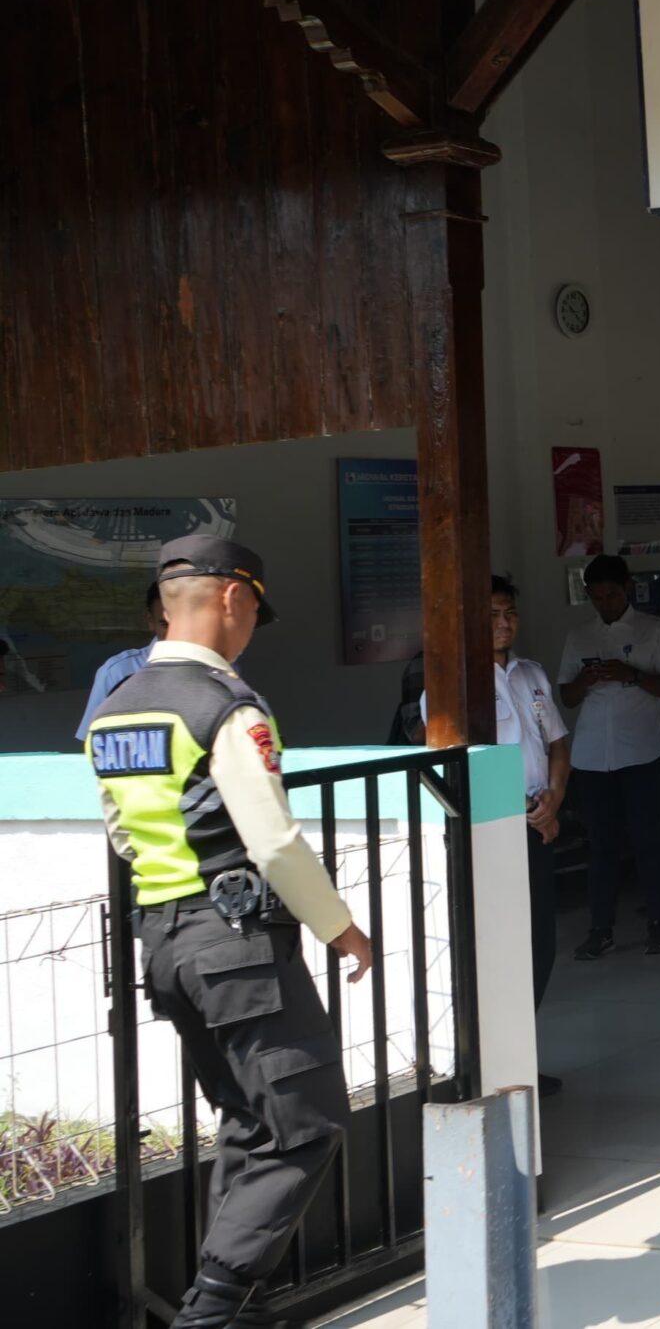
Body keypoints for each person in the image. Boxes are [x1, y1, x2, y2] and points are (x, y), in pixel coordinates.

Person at [86, 535, 375, 1329]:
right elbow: (274, 838)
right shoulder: (225, 705)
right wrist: (342, 927)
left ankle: (236, 1307)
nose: (251, 629)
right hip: (236, 943)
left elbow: (122, 833)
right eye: (253, 611)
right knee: (307, 1125)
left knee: (251, 1122)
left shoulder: (113, 708)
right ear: (231, 600)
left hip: (167, 946)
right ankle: (211, 1313)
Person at [423, 577, 573, 1090]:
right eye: (491, 614)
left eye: (510, 612)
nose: (504, 622)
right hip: (492, 827)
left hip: (537, 819)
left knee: (538, 945)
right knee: (496, 949)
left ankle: (516, 1059)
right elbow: (459, 766)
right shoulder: (452, 682)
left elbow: (557, 743)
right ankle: (486, 1068)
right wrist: (528, 810)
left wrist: (553, 799)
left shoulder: (530, 673)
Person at [558, 555, 660, 959]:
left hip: (642, 751)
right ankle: (601, 929)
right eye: (597, 598)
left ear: (627, 587)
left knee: (649, 840)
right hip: (593, 756)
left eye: (611, 595)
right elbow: (566, 696)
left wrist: (630, 674)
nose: (605, 604)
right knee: (602, 846)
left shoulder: (655, 630)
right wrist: (585, 679)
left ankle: (658, 925)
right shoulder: (579, 636)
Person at [76, 581, 166, 744]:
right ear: (150, 620)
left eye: (182, 622)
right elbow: (92, 743)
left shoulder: (217, 669)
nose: (176, 631)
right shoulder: (119, 672)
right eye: (164, 624)